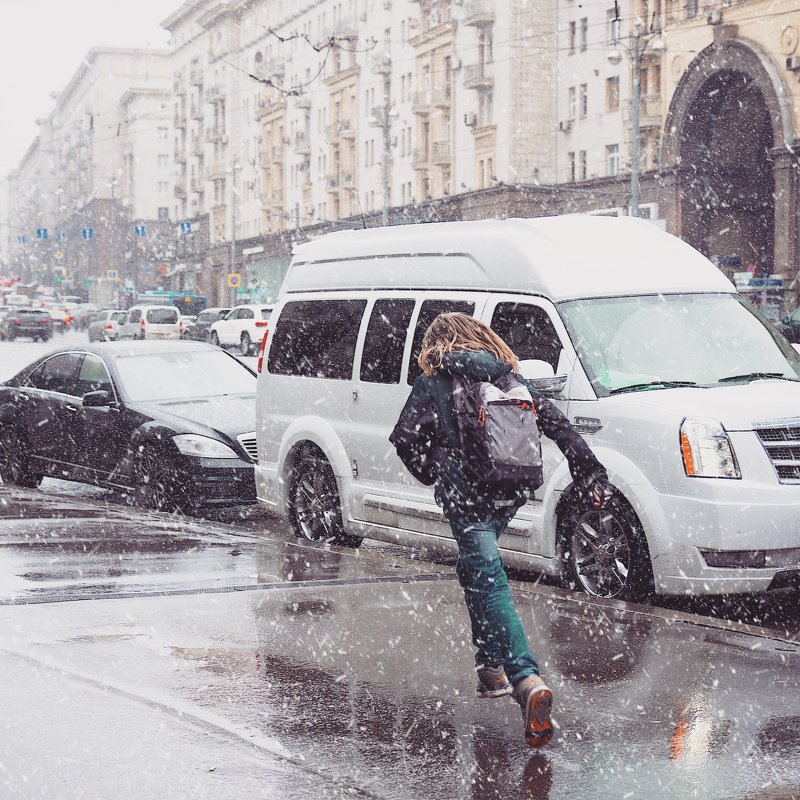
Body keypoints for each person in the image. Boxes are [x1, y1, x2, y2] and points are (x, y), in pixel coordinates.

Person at [390, 312, 612, 747]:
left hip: (465, 496)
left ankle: (526, 680)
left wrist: (433, 470)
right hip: (509, 490)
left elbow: (405, 439)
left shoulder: (435, 381)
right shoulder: (510, 378)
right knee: (474, 567)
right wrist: (592, 474)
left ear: (438, 344)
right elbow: (559, 427)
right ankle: (490, 670)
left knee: (489, 580)